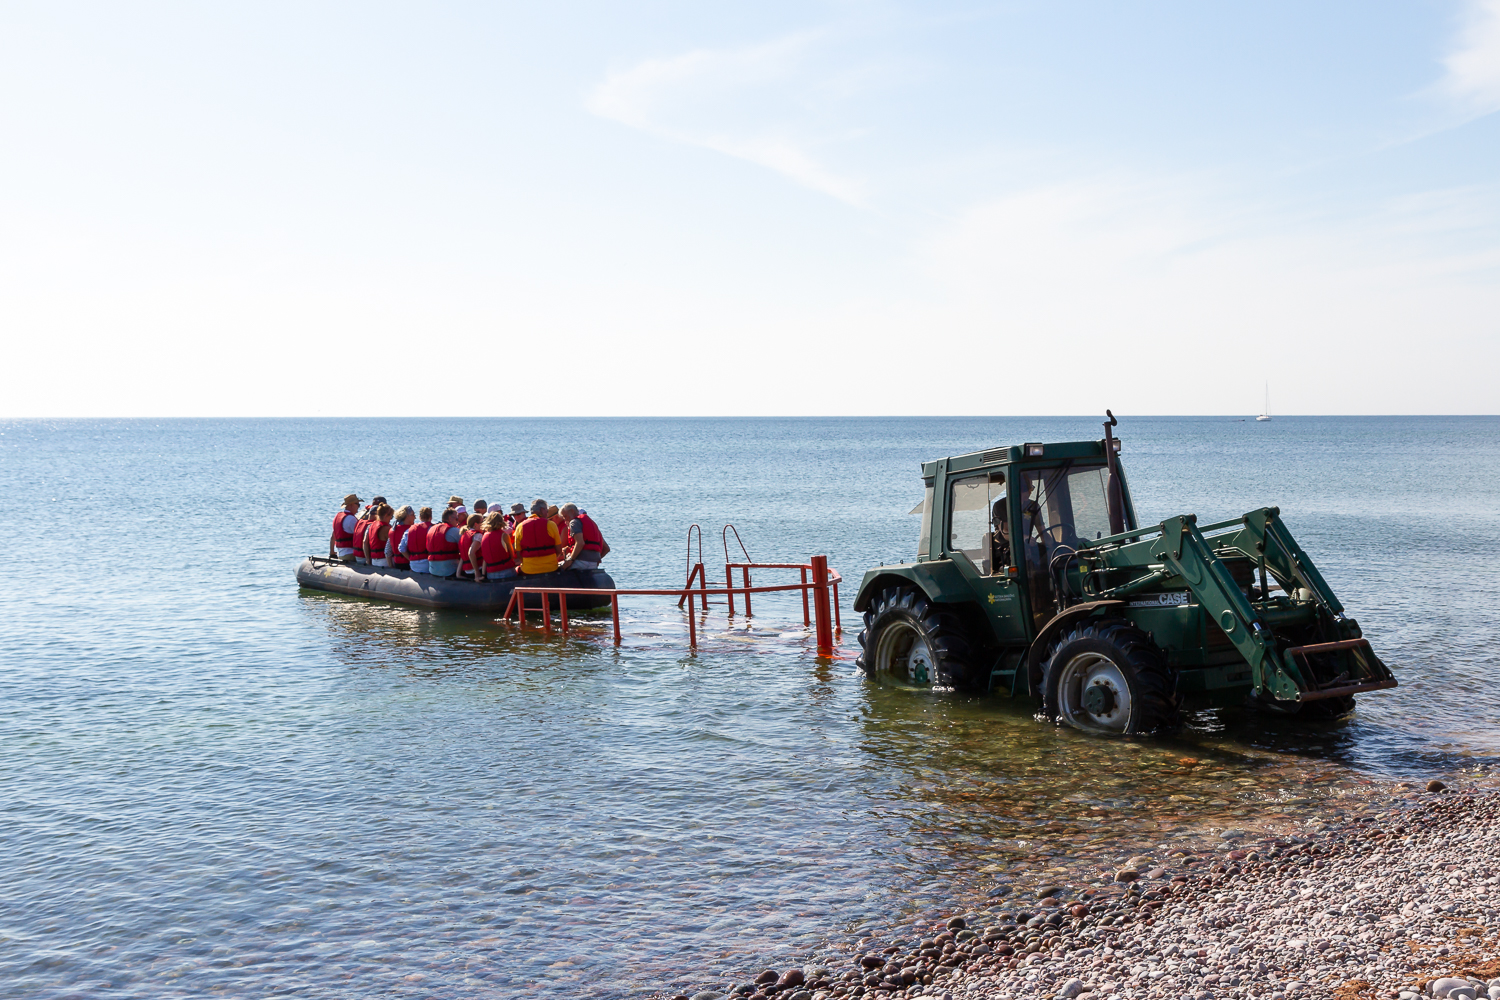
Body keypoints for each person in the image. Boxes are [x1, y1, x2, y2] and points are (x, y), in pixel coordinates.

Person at [514, 499, 563, 575]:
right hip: (551, 568)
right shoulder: (551, 524)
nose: (547, 513)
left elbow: (518, 554)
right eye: (547, 510)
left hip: (528, 570)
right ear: (542, 510)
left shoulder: (520, 527)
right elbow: (559, 551)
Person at [558, 503, 609, 572]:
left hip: (581, 561)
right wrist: (594, 560)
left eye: (565, 516)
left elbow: (580, 543)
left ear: (572, 511)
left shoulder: (574, 522)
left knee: (558, 568)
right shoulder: (591, 523)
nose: (565, 520)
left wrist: (570, 559)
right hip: (593, 563)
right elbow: (606, 549)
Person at [473, 511, 518, 582]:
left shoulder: (484, 536)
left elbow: (485, 559)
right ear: (501, 522)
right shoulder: (504, 535)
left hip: (491, 574)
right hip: (507, 571)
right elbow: (511, 555)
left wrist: (483, 575)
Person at [425, 509, 464, 577]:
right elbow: (465, 548)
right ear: (450, 518)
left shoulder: (431, 529)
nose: (458, 521)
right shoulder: (455, 531)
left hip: (432, 570)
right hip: (449, 570)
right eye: (456, 519)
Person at [329, 493, 361, 561]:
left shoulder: (338, 517)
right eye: (358, 504)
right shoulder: (351, 519)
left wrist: (332, 552)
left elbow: (333, 537)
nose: (359, 507)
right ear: (351, 505)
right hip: (351, 554)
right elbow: (361, 537)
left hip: (341, 554)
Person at [404, 506, 433, 573]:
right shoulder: (432, 529)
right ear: (431, 517)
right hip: (427, 563)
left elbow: (401, 548)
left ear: (420, 517)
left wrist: (411, 559)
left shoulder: (409, 530)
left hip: (413, 564)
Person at [387, 506, 415, 570]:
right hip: (408, 563)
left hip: (397, 563)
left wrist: (390, 566)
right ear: (407, 516)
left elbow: (387, 551)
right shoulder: (411, 530)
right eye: (413, 514)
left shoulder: (392, 530)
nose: (415, 517)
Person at [457, 513, 483, 579]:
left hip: (467, 571)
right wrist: (477, 572)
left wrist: (458, 573)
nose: (484, 524)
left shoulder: (463, 535)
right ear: (476, 524)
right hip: (477, 569)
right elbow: (471, 553)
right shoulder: (478, 535)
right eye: (482, 522)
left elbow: (462, 556)